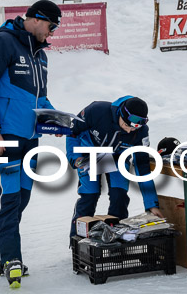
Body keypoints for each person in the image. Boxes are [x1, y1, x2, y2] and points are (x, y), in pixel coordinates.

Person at [0, 0, 62, 288]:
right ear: (36, 18)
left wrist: (57, 119)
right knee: (9, 199)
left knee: (19, 200)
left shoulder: (41, 55)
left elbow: (40, 99)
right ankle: (11, 259)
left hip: (31, 139)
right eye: (51, 25)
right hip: (6, 137)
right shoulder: (2, 42)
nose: (52, 32)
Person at [66, 96, 164, 238]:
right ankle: (78, 241)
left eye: (134, 127)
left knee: (119, 197)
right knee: (90, 196)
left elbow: (142, 168)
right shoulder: (96, 110)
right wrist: (75, 158)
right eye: (127, 125)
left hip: (117, 157)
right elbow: (72, 132)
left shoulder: (141, 133)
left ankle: (116, 241)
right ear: (120, 115)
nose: (130, 131)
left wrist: (151, 204)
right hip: (90, 155)